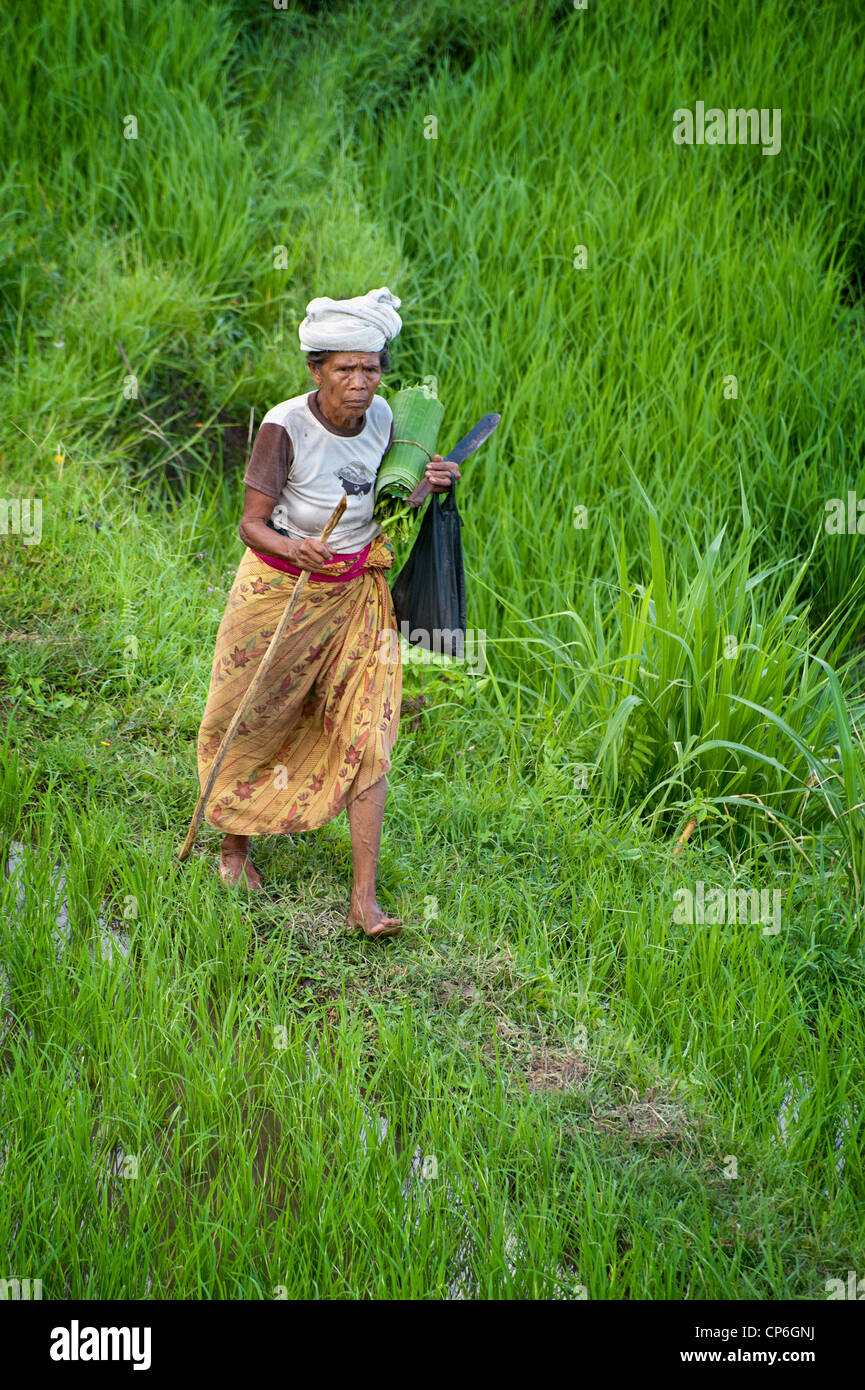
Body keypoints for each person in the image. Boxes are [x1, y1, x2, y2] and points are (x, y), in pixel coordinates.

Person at [194, 287, 460, 938]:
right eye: (345, 368)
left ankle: (362, 902)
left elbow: (392, 503)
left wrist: (429, 484)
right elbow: (250, 526)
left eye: (371, 367)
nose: (360, 382)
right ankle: (234, 849)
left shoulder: (386, 418)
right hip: (282, 589)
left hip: (355, 592)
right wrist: (296, 547)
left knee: (369, 734)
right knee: (254, 714)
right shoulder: (285, 425)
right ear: (315, 370)